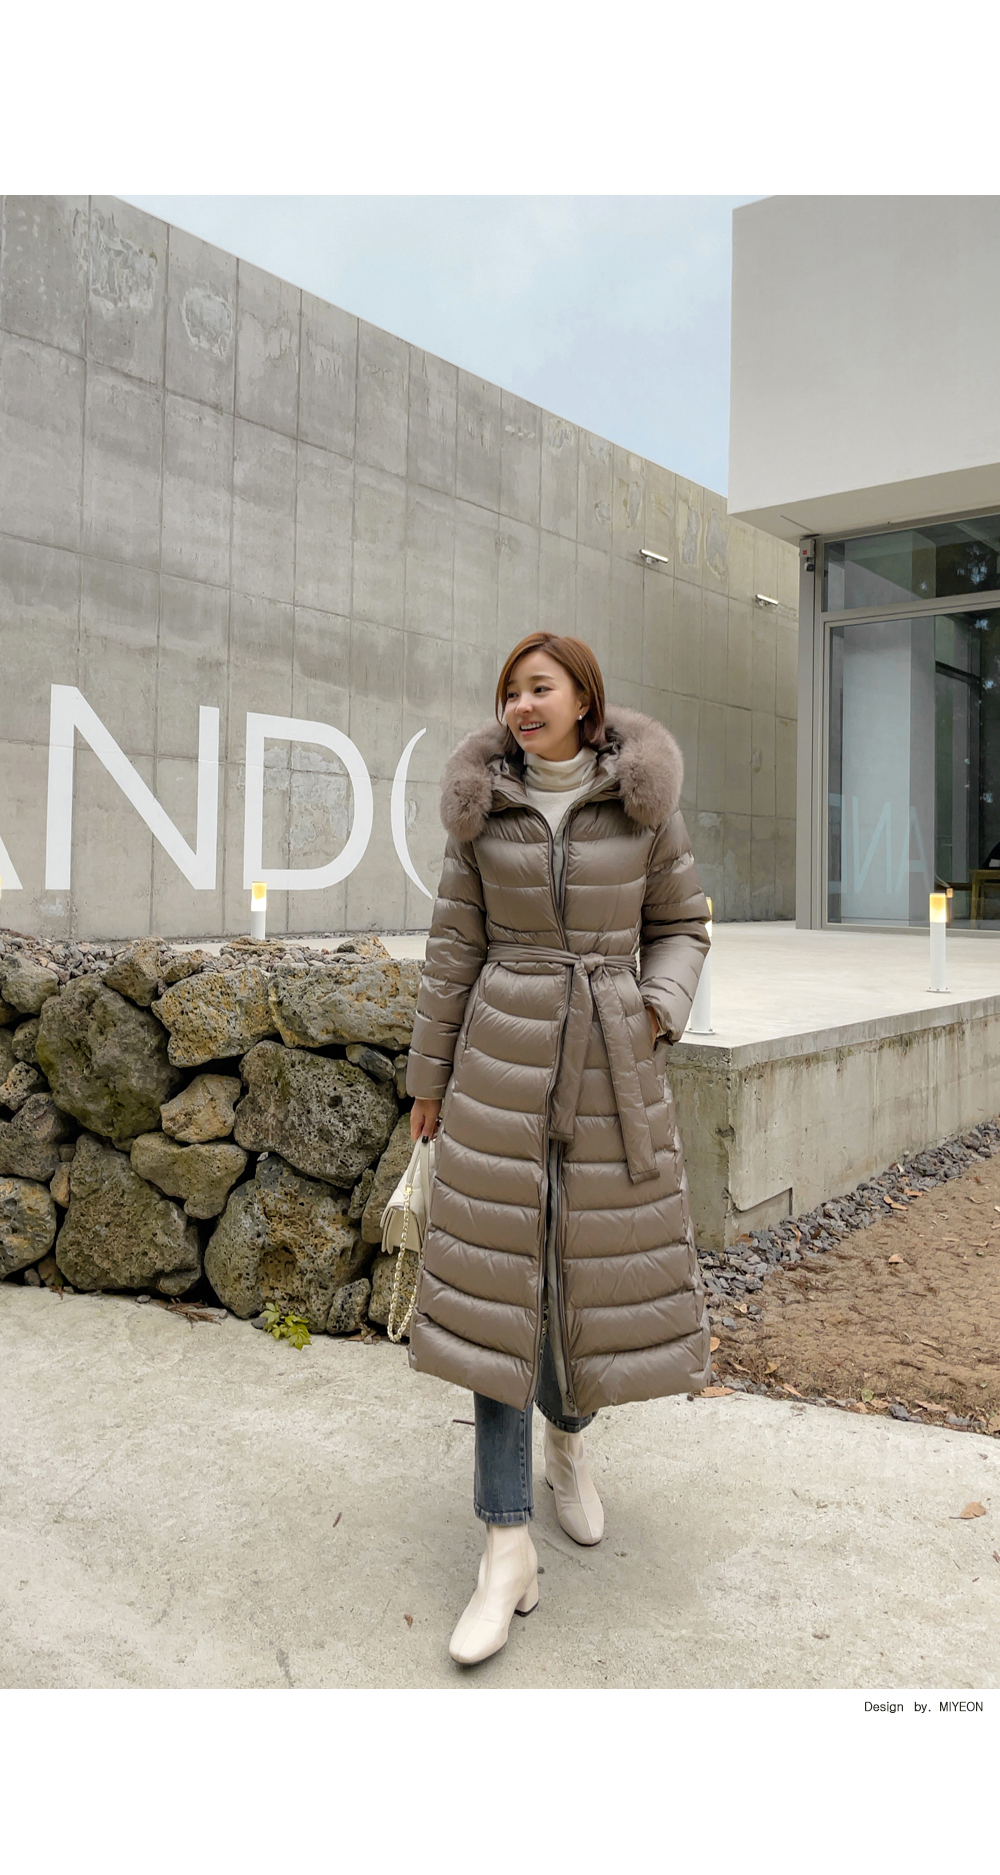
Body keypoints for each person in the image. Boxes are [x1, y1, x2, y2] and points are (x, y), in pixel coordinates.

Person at [405, 632, 712, 1665]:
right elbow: (454, 948)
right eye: (510, 692)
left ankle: (569, 1447)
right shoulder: (480, 808)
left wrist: (652, 1012)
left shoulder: (643, 803)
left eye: (539, 688)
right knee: (499, 1294)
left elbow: (683, 925)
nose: (520, 705)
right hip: (498, 1065)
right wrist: (428, 1081)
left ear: (586, 695)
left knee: (583, 1279)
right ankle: (504, 1546)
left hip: (608, 1070)